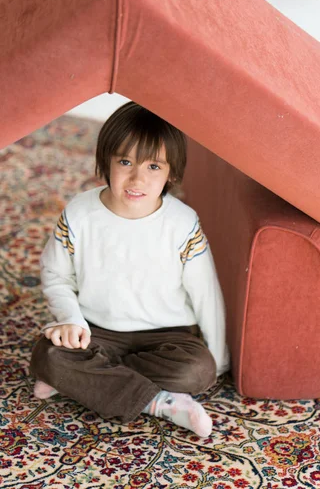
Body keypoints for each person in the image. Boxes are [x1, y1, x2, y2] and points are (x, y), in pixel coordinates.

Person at [30, 101, 229, 438]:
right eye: (125, 162)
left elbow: (206, 293)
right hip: (97, 331)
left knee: (198, 371)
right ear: (105, 161)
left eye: (154, 166)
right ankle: (160, 403)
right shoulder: (80, 214)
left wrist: (219, 357)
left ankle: (82, 381)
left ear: (172, 173)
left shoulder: (182, 224)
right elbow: (57, 276)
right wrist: (71, 321)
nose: (137, 178)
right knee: (48, 353)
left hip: (168, 335)